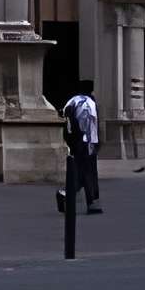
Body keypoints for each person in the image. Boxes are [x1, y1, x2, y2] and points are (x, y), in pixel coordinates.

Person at [53, 81, 103, 215]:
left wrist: (71, 143)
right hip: (87, 142)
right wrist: (96, 143)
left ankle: (73, 196)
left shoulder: (71, 102)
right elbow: (93, 125)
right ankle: (91, 202)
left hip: (78, 142)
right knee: (88, 172)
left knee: (83, 172)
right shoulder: (90, 103)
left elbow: (67, 125)